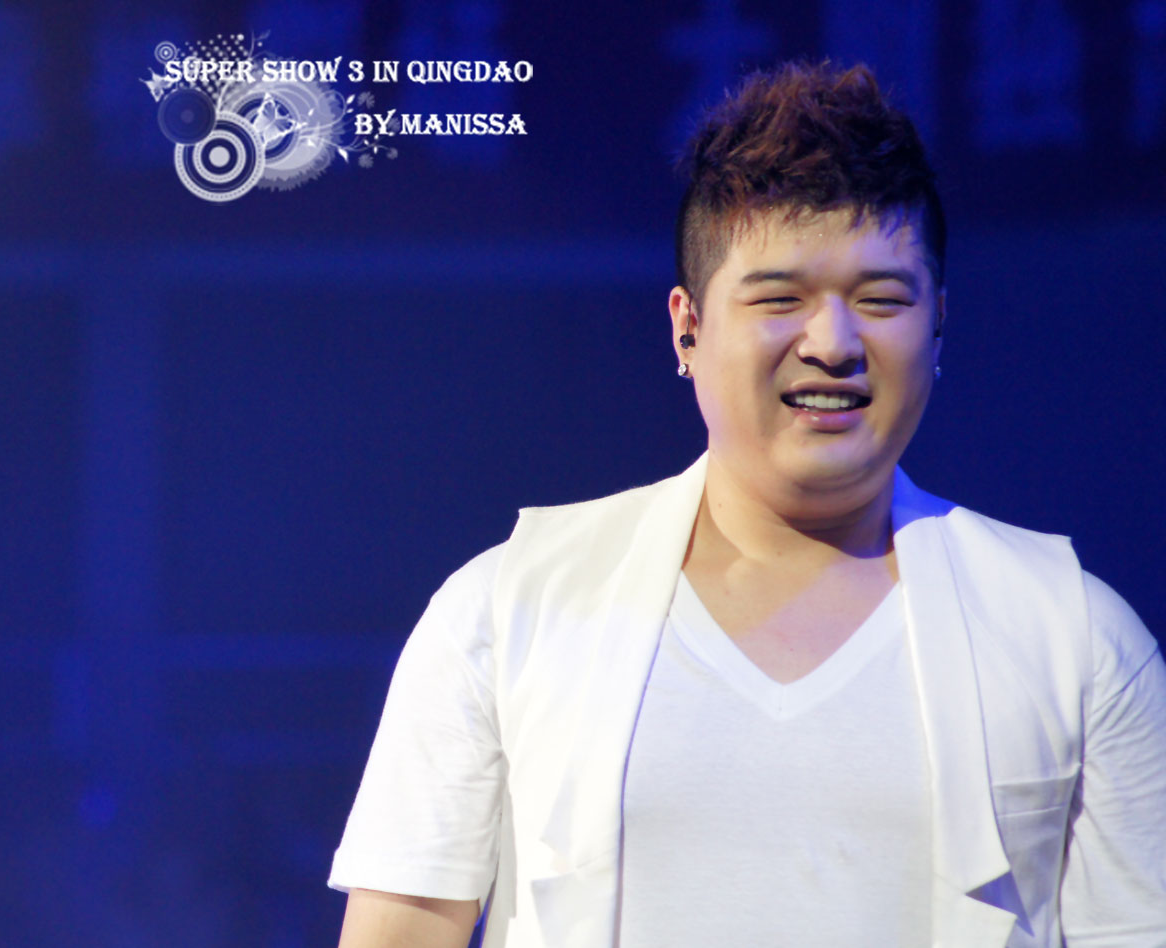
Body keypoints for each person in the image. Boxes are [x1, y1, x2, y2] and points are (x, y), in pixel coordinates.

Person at [328, 60, 1166, 947]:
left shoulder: (1070, 633)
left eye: (882, 299)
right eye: (780, 299)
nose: (834, 342)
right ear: (688, 326)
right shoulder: (508, 611)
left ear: (939, 326)